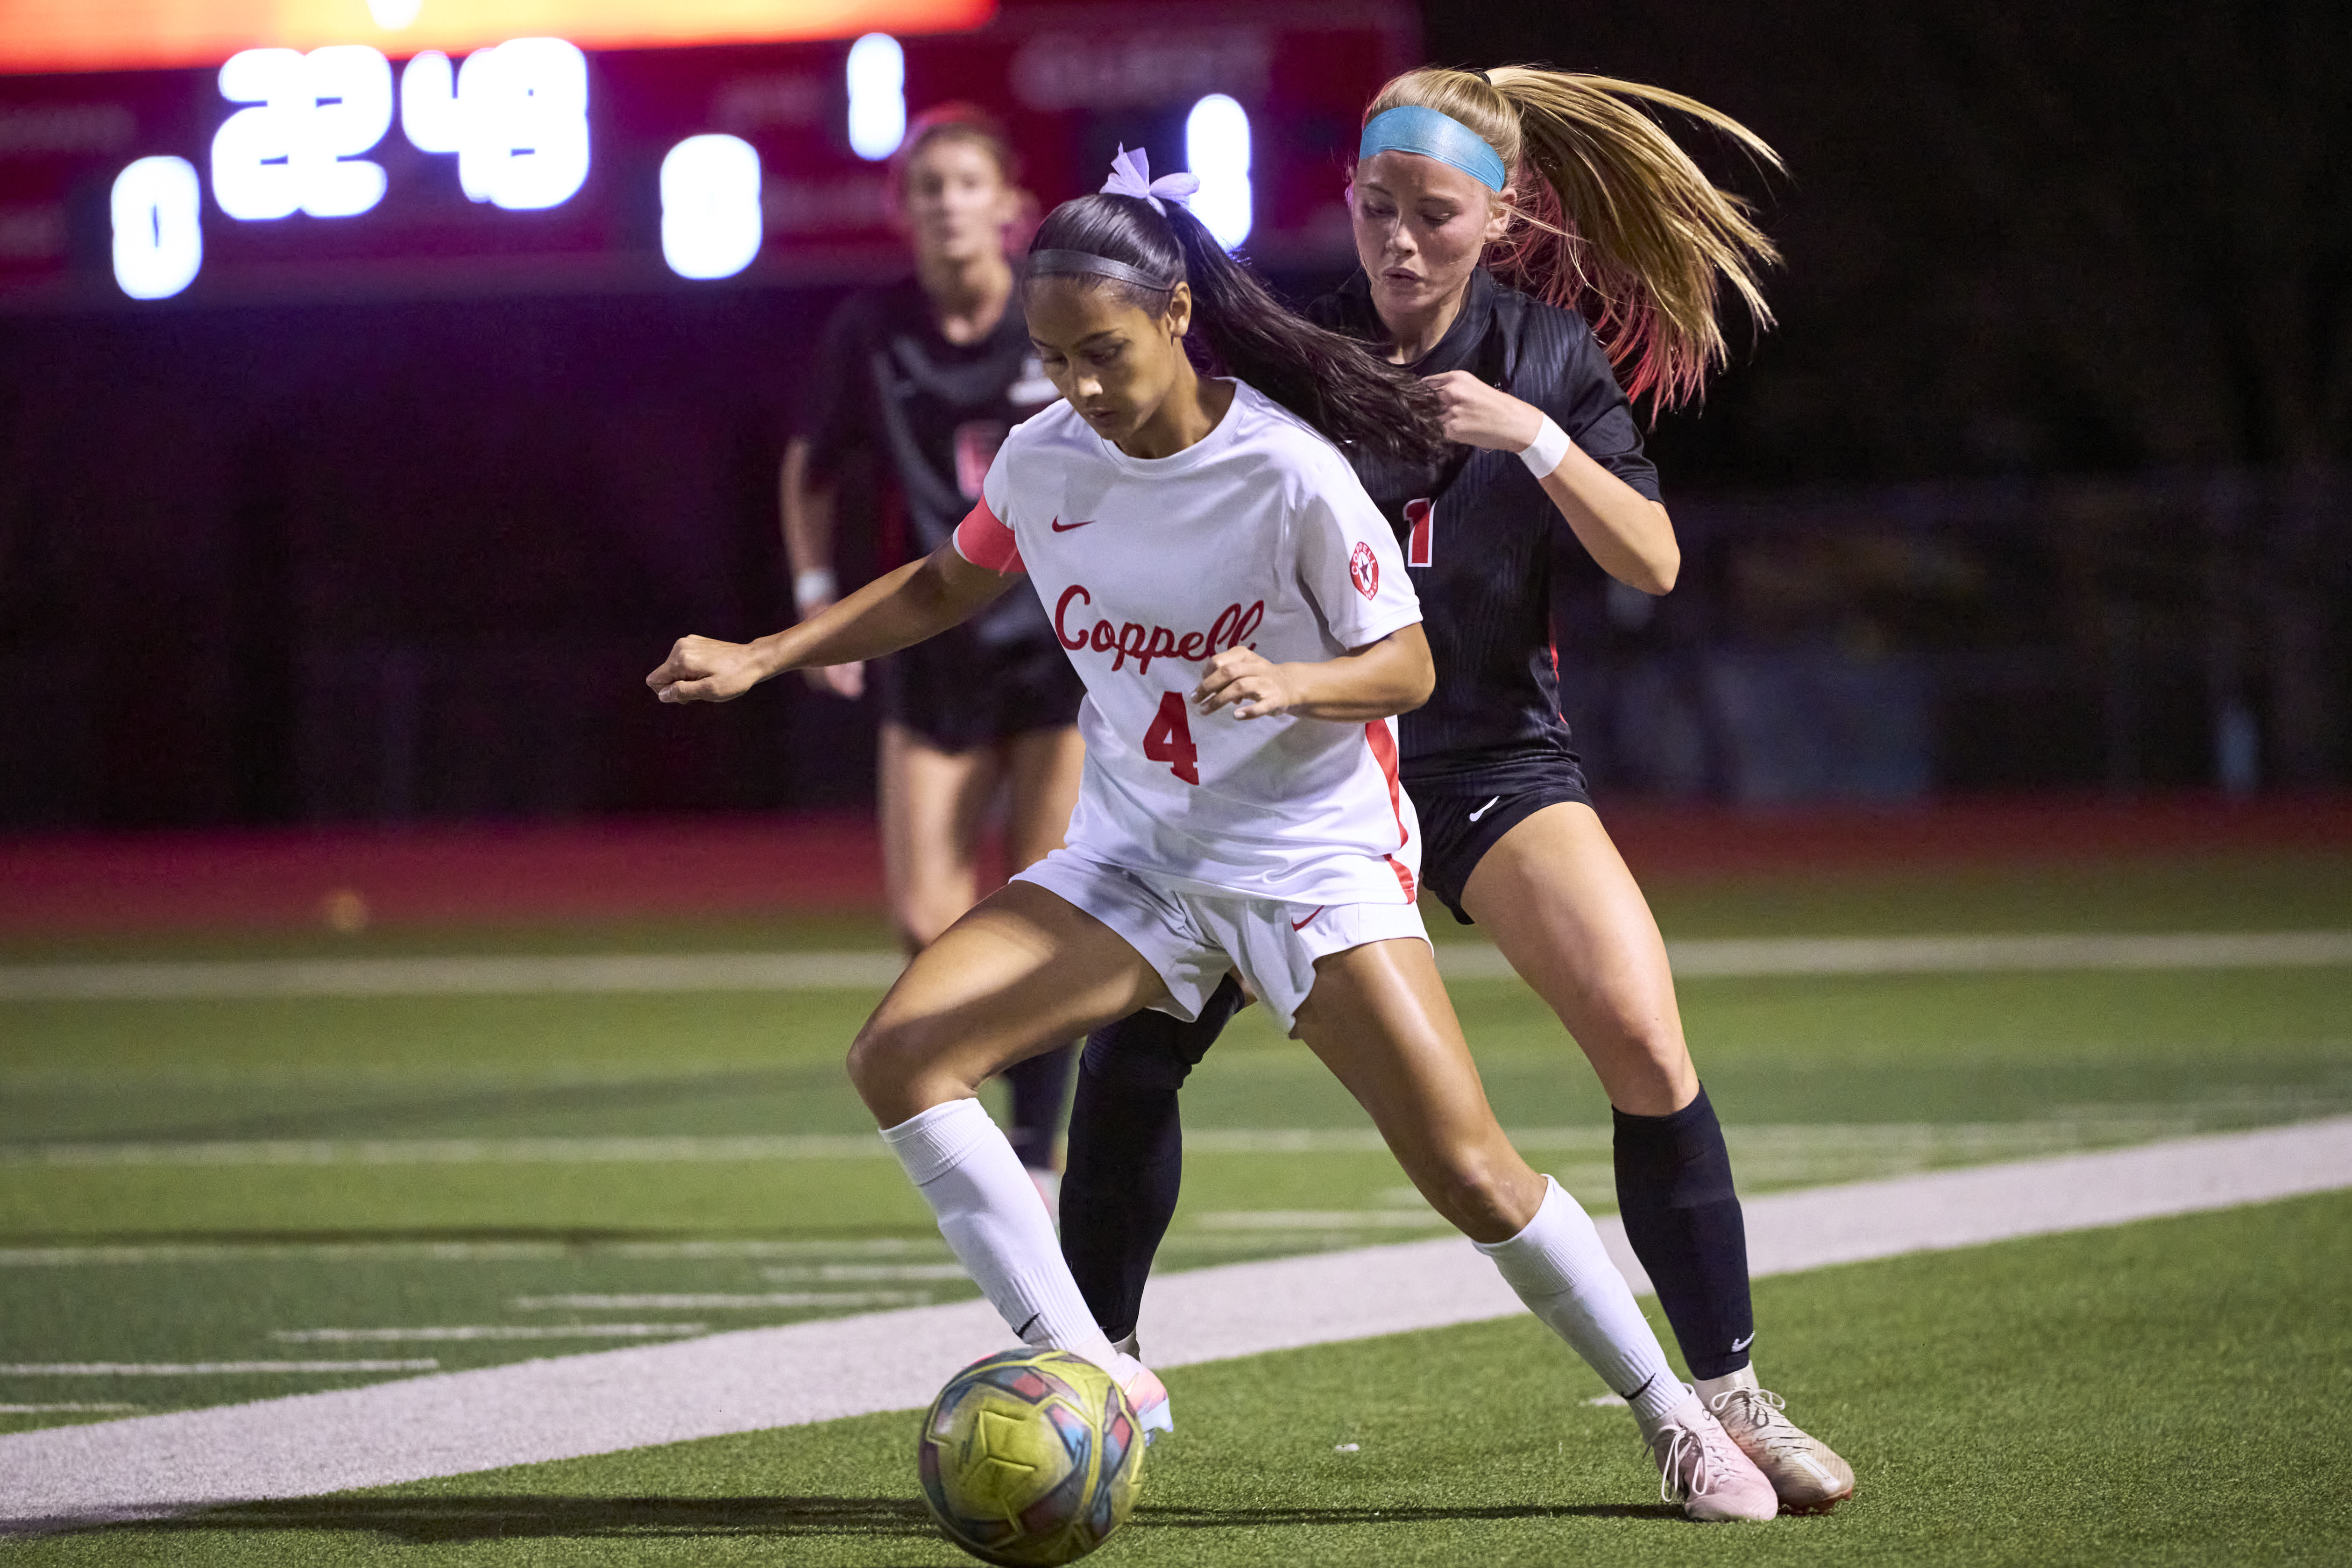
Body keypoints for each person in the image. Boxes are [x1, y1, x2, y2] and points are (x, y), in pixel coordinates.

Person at [651, 149, 1778, 1523]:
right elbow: (950, 578)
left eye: (1101, 352)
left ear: (1179, 316)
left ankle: (1671, 1412)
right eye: (1050, 354)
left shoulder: (1288, 472)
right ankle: (1083, 1363)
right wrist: (768, 651)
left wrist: (1297, 682)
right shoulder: (1047, 452)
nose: (1072, 385)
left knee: (1472, 1169)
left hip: (1307, 862)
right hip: (1134, 861)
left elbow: (1411, 667)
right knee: (899, 1051)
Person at [1057, 70, 1857, 1514]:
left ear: (1501, 216)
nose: (1401, 243)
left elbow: (1654, 563)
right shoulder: (1288, 339)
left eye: (1435, 215)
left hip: (1484, 750)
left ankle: (1728, 1397)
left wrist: (1531, 439)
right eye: (1377, 210)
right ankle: (1094, 1363)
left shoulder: (1543, 355)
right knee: (1135, 1045)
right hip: (1292, 771)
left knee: (1640, 1030)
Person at [781, 106, 1082, 1186]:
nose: (947, 202)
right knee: (924, 916)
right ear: (902, 210)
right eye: (928, 186)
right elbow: (808, 469)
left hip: (1059, 644)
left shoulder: (1061, 315)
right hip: (935, 638)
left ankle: (1040, 1148)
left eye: (968, 182)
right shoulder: (871, 329)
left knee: (1046, 894)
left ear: (1010, 208)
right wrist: (818, 604)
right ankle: (994, 1075)